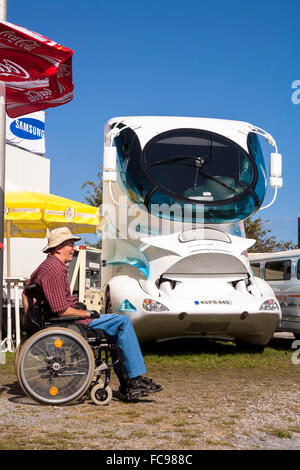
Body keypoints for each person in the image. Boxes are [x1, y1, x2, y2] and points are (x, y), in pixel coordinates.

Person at [23, 226, 162, 400]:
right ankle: (133, 380)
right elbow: (61, 310)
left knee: (113, 328)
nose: (74, 248)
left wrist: (30, 319)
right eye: (70, 244)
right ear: (58, 247)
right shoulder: (54, 270)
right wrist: (85, 313)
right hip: (70, 323)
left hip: (62, 321)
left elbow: (25, 292)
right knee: (122, 323)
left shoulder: (45, 266)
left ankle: (129, 382)